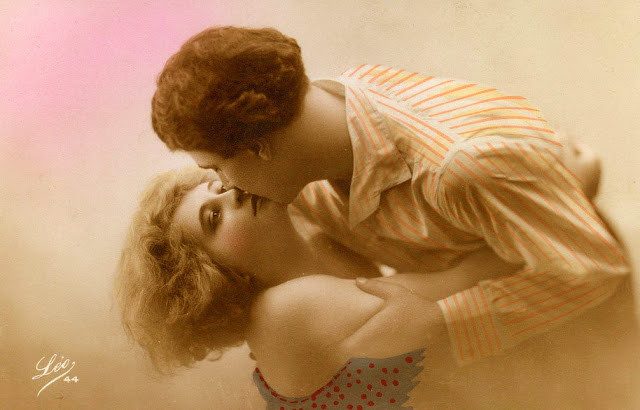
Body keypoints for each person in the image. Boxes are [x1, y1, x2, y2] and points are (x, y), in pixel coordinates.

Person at [149, 26, 630, 367]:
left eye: (216, 168)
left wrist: (440, 320)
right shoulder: (308, 153)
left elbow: (595, 270)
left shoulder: (456, 165)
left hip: (581, 335)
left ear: (259, 146)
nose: (225, 186)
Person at [114, 167, 522, 409]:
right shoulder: (282, 310)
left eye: (219, 187)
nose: (233, 193)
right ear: (214, 277)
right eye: (213, 219)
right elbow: (465, 281)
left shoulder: (322, 242)